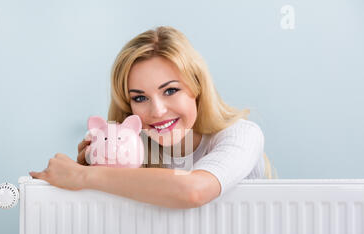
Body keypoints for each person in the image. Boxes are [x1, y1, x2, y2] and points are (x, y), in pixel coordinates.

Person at [29, 26, 277, 209]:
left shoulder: (242, 134)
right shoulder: (132, 151)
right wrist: (90, 175)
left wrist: (82, 176)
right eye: (140, 98)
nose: (157, 111)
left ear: (197, 86)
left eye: (170, 90)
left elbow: (193, 190)